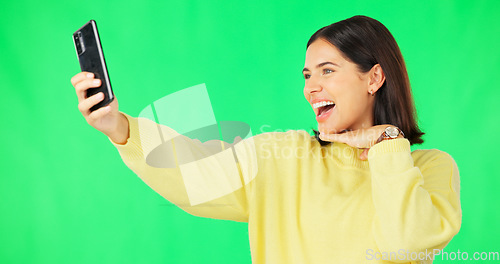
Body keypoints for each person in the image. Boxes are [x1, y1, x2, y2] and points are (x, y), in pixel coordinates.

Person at [71, 15, 461, 263]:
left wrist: (388, 144)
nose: (312, 88)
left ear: (374, 78)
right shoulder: (285, 155)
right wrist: (118, 126)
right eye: (307, 76)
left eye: (327, 71)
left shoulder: (429, 169)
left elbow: (405, 246)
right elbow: (195, 172)